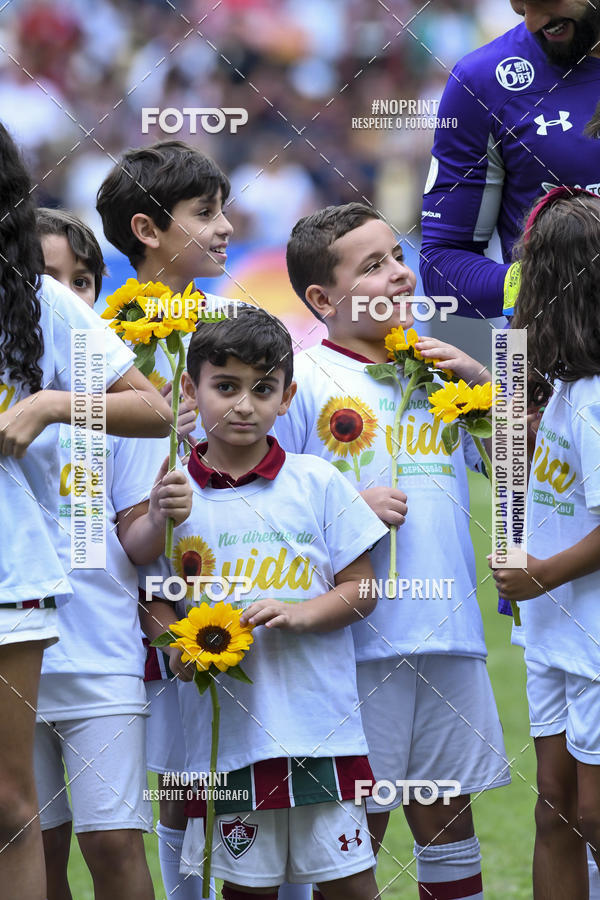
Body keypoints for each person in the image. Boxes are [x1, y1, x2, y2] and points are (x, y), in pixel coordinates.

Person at [277, 202, 511, 900]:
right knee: (352, 838)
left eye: (399, 257)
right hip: (352, 650)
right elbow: (257, 503)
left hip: (449, 638)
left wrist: (484, 386)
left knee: (448, 824)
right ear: (323, 298)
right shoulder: (302, 379)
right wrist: (344, 515)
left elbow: (519, 470)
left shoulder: (440, 367)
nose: (400, 276)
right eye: (372, 266)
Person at [140, 306, 389, 900]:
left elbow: (364, 590)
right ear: (191, 390)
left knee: (351, 886)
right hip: (226, 745)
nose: (243, 404)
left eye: (262, 389)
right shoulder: (173, 495)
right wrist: (177, 645)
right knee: (245, 890)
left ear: (287, 397)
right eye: (224, 386)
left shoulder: (316, 481)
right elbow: (153, 598)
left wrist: (301, 613)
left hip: (318, 733)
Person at [0, 123, 171, 900]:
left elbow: (154, 411)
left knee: (57, 826)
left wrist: (49, 405)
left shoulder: (36, 304)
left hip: (41, 603)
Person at [33, 208, 192, 900]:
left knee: (116, 844)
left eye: (84, 280)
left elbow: (130, 537)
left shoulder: (121, 405)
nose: (67, 296)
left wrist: (156, 516)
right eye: (48, 279)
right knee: (30, 848)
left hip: (99, 651)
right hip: (19, 647)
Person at [97, 139, 234, 900]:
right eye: (204, 213)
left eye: (223, 210)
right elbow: (120, 497)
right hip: (159, 603)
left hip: (253, 582)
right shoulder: (113, 339)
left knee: (251, 779)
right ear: (148, 230)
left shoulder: (238, 323)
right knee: (183, 778)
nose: (224, 227)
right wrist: (150, 594)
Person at [491, 188, 600, 899]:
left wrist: (544, 575)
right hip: (555, 638)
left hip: (590, 637)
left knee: (593, 811)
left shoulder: (594, 399)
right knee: (556, 807)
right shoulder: (567, 388)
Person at [420, 0, 600, 319]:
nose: (531, 23)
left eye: (545, 2)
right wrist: (542, 282)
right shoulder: (481, 81)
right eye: (521, 8)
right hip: (549, 358)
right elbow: (442, 265)